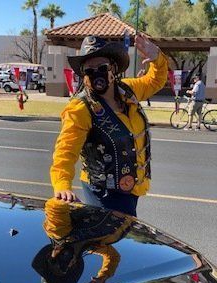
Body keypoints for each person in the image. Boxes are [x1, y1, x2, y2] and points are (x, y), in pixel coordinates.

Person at [50, 33, 168, 216]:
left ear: (113, 68)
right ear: (83, 76)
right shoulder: (80, 109)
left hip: (130, 190)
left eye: (102, 67)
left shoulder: (128, 90)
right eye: (89, 70)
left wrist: (157, 58)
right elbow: (65, 153)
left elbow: (155, 81)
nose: (96, 73)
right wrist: (62, 185)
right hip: (103, 194)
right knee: (109, 241)